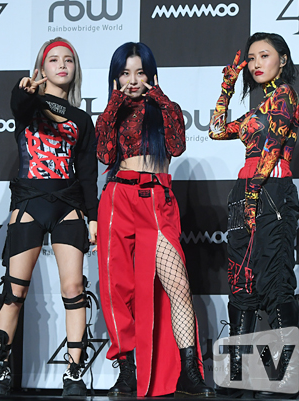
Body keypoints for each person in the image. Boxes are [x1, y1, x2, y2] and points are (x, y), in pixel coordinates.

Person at [95, 42, 215, 398]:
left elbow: (177, 147)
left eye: (140, 73)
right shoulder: (113, 112)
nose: (133, 80)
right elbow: (104, 153)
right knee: (117, 289)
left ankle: (188, 372)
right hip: (118, 198)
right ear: (116, 77)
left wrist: (159, 98)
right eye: (125, 73)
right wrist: (115, 103)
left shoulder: (165, 109)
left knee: (176, 284)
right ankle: (126, 371)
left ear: (152, 75)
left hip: (156, 199)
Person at [0, 37, 98, 397]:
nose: (62, 65)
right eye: (54, 59)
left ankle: (74, 374)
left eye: (68, 60)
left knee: (74, 289)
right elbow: (18, 102)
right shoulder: (28, 104)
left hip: (68, 206)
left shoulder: (82, 120)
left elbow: (88, 173)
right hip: (29, 202)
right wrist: (25, 89)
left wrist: (93, 218)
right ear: (41, 68)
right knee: (14, 290)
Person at [208, 32, 299, 399]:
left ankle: (288, 374)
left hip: (271, 192)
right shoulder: (256, 110)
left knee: (274, 280)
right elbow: (216, 130)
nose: (255, 63)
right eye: (251, 58)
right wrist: (227, 85)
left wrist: (253, 196)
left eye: (264, 55)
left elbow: (271, 149)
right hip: (244, 193)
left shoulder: (285, 96)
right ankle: (237, 373)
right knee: (241, 281)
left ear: (282, 59)